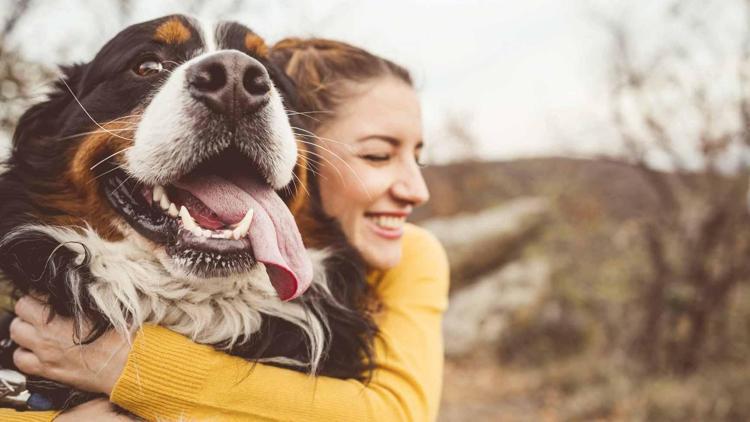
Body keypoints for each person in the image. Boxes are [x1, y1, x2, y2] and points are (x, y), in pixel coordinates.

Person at [2, 38, 449, 421]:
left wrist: (125, 366)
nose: (418, 190)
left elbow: (395, 413)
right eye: (376, 156)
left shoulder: (414, 253)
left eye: (418, 157)